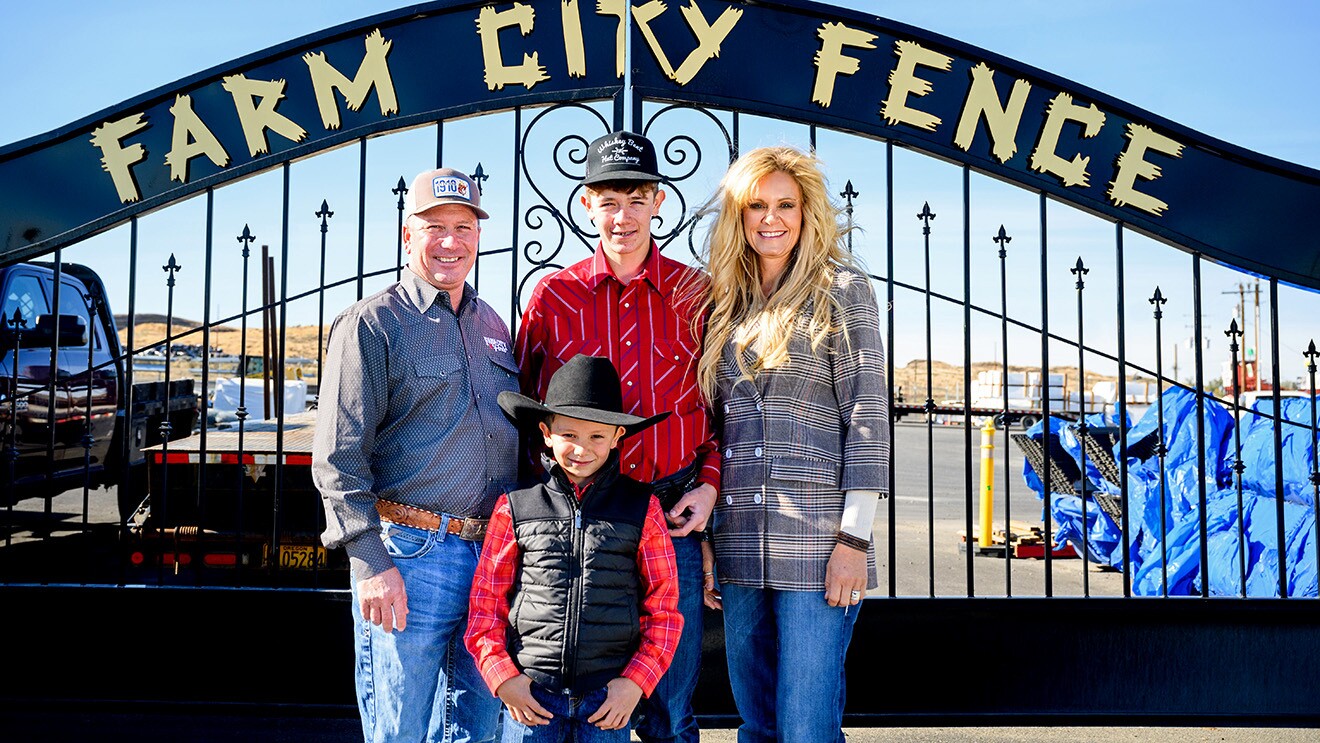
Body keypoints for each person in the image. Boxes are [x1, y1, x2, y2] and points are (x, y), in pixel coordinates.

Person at [514, 130, 719, 743]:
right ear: (586, 204)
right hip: (582, 523)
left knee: (669, 710)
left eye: (635, 198)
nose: (622, 215)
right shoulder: (555, 295)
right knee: (577, 707)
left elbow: (725, 407)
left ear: (657, 201)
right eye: (608, 200)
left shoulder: (697, 295)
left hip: (672, 509)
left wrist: (708, 487)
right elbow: (528, 415)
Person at [313, 167, 520, 743]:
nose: (450, 241)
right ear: (408, 235)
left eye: (463, 226)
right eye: (435, 227)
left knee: (478, 729)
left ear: (478, 236)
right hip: (411, 556)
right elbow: (337, 455)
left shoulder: (492, 326)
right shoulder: (373, 323)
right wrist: (371, 562)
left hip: (490, 558)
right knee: (399, 729)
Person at [694, 146, 889, 743]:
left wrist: (854, 540)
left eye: (786, 204)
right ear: (738, 215)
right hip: (739, 539)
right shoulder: (724, 297)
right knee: (756, 723)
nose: (770, 218)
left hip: (817, 542)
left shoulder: (841, 289)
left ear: (808, 213)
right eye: (756, 205)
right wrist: (706, 539)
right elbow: (715, 429)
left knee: (806, 727)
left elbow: (867, 419)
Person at [466, 353, 683, 743]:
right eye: (569, 435)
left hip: (607, 700)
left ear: (618, 437)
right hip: (531, 698)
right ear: (546, 433)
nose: (582, 449)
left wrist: (635, 683)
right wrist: (503, 679)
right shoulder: (516, 507)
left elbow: (663, 608)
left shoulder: (641, 508)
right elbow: (486, 604)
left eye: (597, 436)